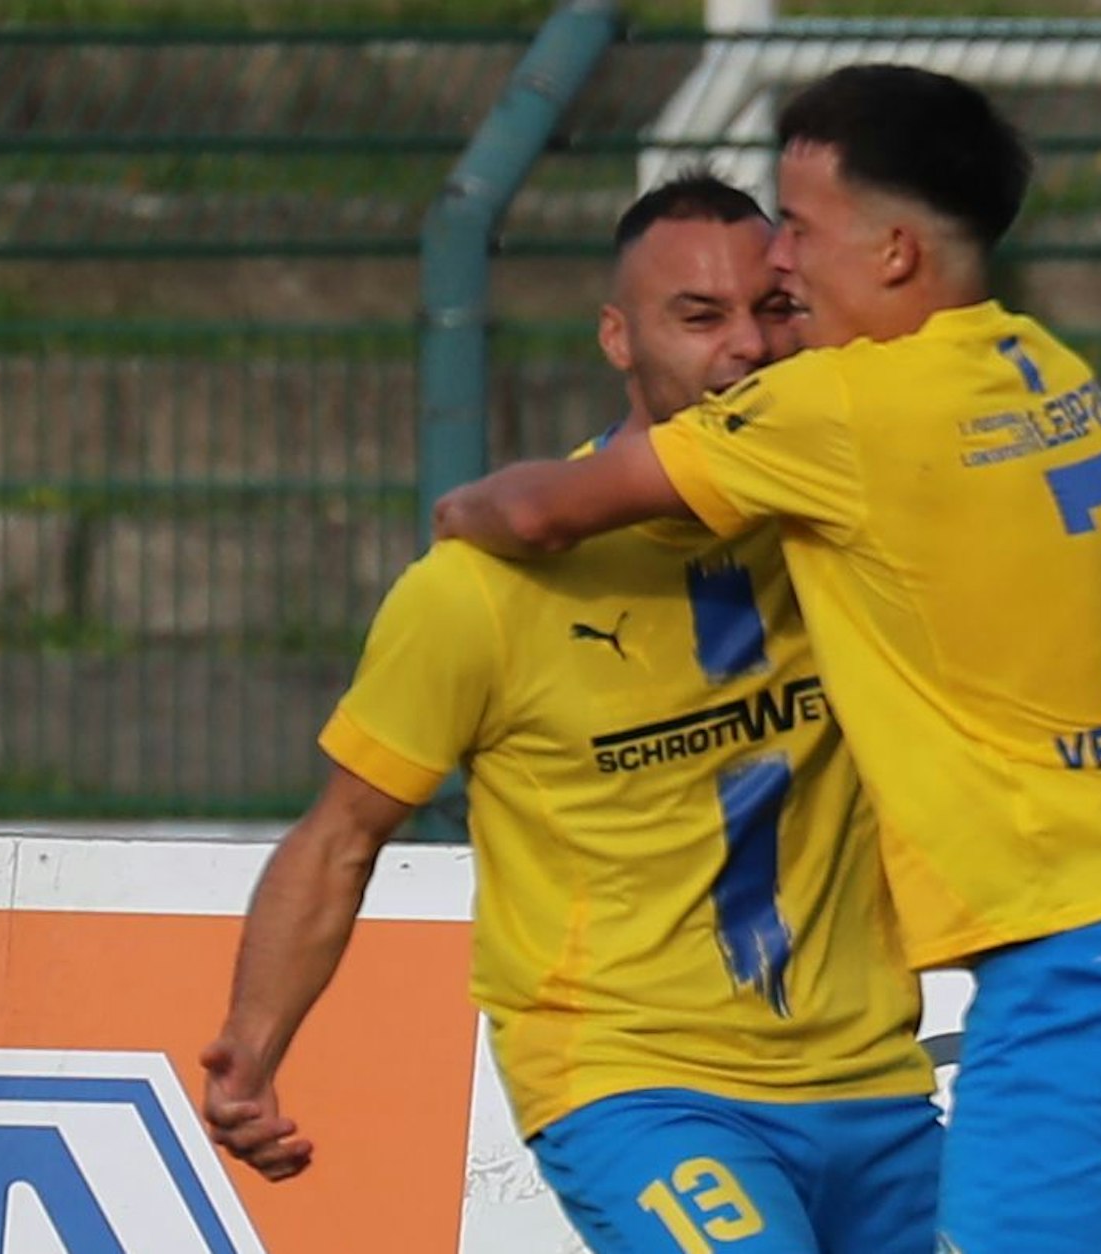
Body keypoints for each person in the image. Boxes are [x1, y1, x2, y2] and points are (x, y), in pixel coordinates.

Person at [429, 69, 1101, 1253]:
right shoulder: (1041, 375)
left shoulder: (836, 409)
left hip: (1081, 984)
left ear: (888, 253)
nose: (777, 259)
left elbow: (547, 515)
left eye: (800, 228)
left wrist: (461, 508)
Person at [201, 175, 943, 1254]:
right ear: (616, 338)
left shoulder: (852, 531)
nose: (744, 345)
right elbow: (342, 835)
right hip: (636, 1085)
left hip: (874, 1086)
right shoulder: (482, 590)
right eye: (698, 317)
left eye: (770, 309)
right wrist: (251, 1050)